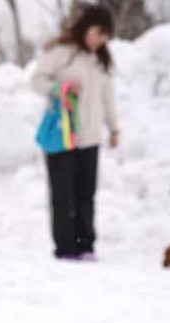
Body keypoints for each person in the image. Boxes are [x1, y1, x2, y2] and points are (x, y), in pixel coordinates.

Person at [31, 4, 119, 260]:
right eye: (97, 32)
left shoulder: (100, 60)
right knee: (62, 195)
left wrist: (113, 128)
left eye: (105, 36)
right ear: (85, 27)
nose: (99, 39)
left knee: (85, 195)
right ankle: (65, 248)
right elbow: (36, 81)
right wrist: (61, 88)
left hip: (90, 137)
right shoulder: (61, 52)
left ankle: (86, 245)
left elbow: (107, 96)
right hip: (63, 135)